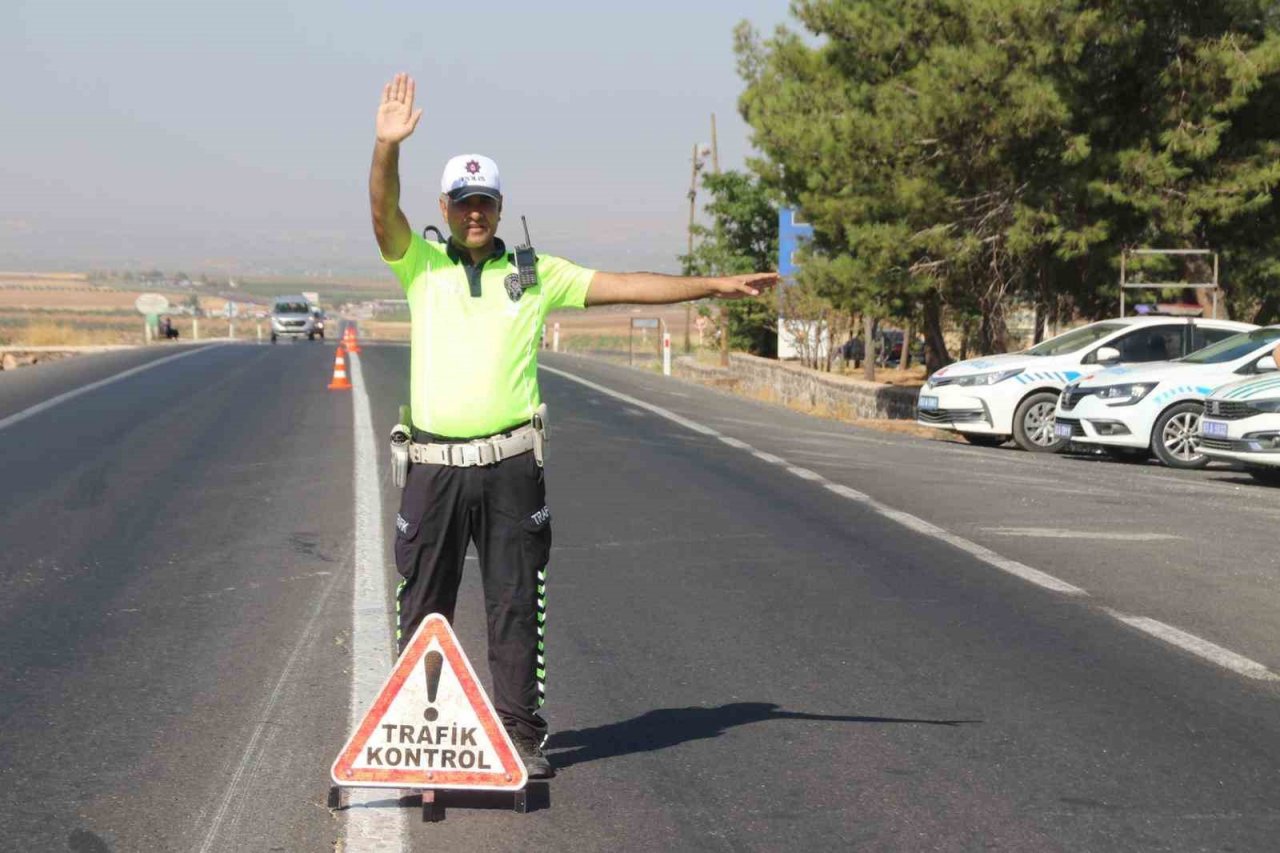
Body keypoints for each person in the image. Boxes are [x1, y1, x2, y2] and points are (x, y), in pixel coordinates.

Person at [369, 73, 777, 779]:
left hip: (508, 466)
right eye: (463, 203)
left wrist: (713, 283)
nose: (474, 214)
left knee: (515, 602)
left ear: (499, 207)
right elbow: (381, 211)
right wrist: (385, 147)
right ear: (444, 206)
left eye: (485, 203)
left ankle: (519, 735)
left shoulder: (534, 273)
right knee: (424, 603)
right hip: (435, 468)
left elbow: (624, 284)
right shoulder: (421, 265)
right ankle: (415, 730)